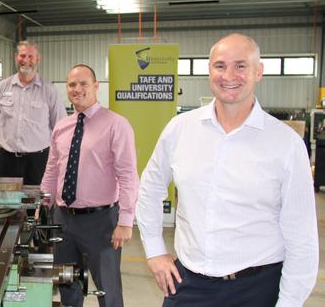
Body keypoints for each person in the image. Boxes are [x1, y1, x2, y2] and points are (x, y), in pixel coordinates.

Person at [136, 34, 319, 306]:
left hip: (257, 289)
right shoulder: (180, 129)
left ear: (258, 72)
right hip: (188, 285)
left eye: (241, 66)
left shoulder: (286, 144)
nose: (229, 75)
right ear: (209, 71)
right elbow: (150, 189)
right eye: (220, 66)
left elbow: (301, 237)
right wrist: (154, 251)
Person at [40, 64, 139, 307]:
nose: (77, 89)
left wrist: (126, 221)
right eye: (72, 84)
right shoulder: (62, 127)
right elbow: (52, 171)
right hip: (62, 219)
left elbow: (128, 176)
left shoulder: (117, 124)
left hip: (101, 221)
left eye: (84, 83)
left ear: (96, 86)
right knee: (67, 284)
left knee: (108, 290)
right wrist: (42, 206)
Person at [0, 40, 67, 185]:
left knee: (37, 205)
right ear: (16, 57)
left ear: (38, 59)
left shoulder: (50, 90)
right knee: (5, 205)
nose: (26, 60)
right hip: (7, 160)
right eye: (22, 56)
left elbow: (60, 127)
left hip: (38, 161)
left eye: (30, 56)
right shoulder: (1, 87)